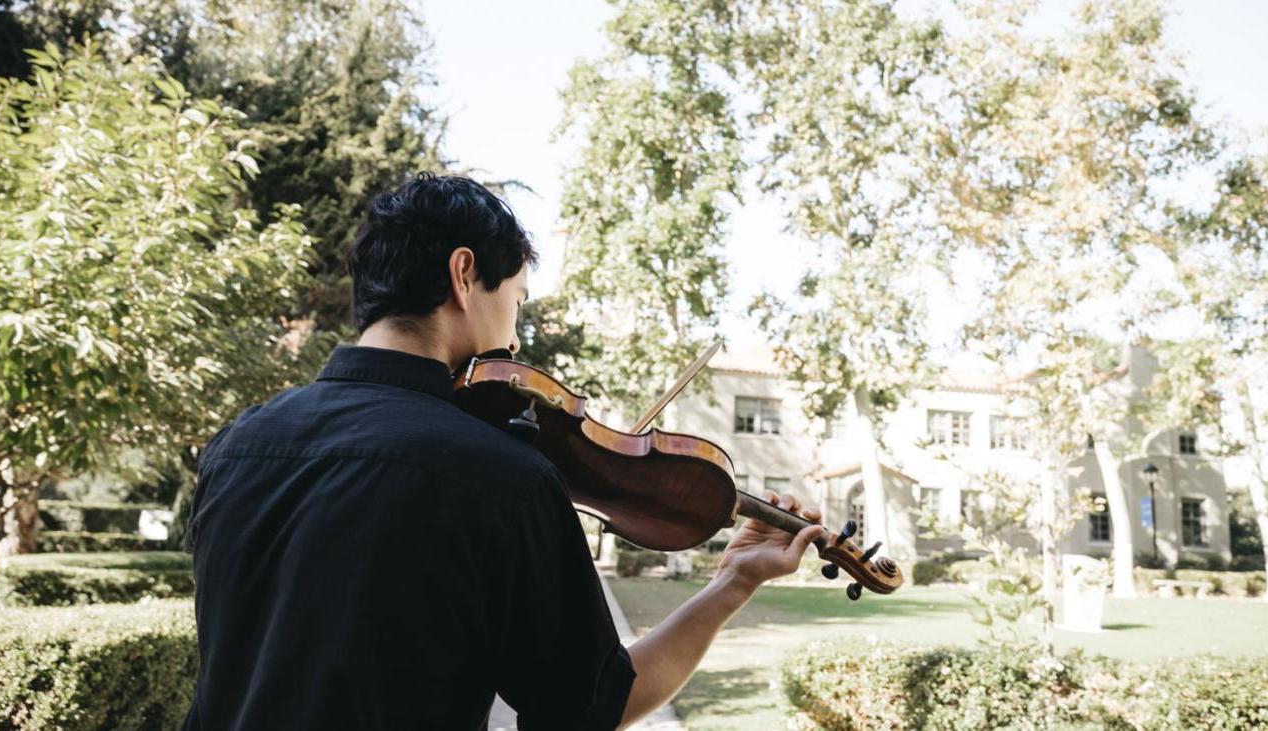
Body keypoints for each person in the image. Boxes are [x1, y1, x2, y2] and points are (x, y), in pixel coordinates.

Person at [181, 172, 825, 730]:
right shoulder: (500, 475)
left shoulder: (237, 446)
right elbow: (589, 709)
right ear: (465, 275)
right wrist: (734, 582)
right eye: (515, 301)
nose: (514, 342)